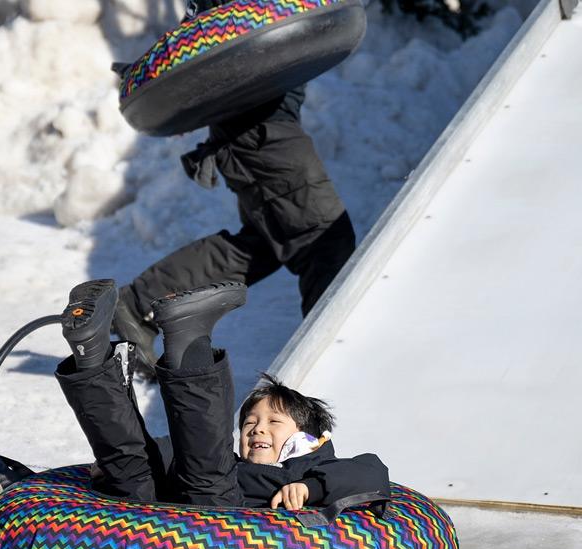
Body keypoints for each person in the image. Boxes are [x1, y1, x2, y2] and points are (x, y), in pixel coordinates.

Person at [113, 1, 357, 371]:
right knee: (325, 242)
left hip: (262, 118)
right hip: (259, 126)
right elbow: (214, 22)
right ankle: (332, 366)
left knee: (264, 244)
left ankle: (138, 306)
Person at [57, 278, 389, 509]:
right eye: (249, 423)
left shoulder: (314, 469)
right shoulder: (230, 461)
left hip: (226, 524)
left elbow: (372, 471)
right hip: (157, 523)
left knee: (208, 473)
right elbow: (179, 449)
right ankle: (92, 354)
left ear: (308, 438)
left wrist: (311, 488)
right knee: (132, 466)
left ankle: (188, 337)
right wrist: (118, 458)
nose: (257, 428)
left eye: (274, 421)